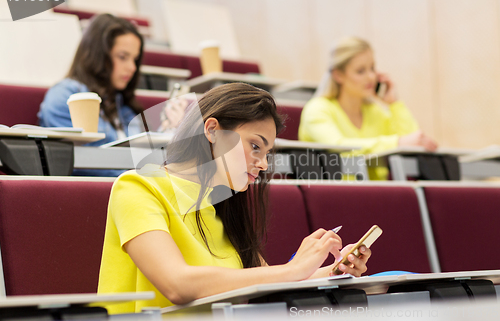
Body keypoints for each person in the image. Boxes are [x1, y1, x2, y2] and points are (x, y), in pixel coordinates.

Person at [97, 83, 372, 314]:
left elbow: (264, 280)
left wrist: (335, 271)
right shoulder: (136, 188)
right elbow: (178, 285)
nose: (263, 164)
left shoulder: (221, 205)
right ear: (212, 130)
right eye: (255, 146)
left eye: (266, 153)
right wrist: (294, 269)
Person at [298, 37, 438, 180]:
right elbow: (338, 147)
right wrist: (396, 143)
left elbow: (414, 142)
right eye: (360, 71)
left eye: (372, 68)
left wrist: (394, 104)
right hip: (333, 196)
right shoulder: (317, 110)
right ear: (338, 75)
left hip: (376, 196)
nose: (371, 77)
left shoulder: (375, 112)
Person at [38, 13, 144, 176]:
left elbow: (142, 155)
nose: (132, 67)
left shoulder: (120, 101)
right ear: (98, 55)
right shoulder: (65, 97)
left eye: (135, 60)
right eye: (123, 57)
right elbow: (80, 161)